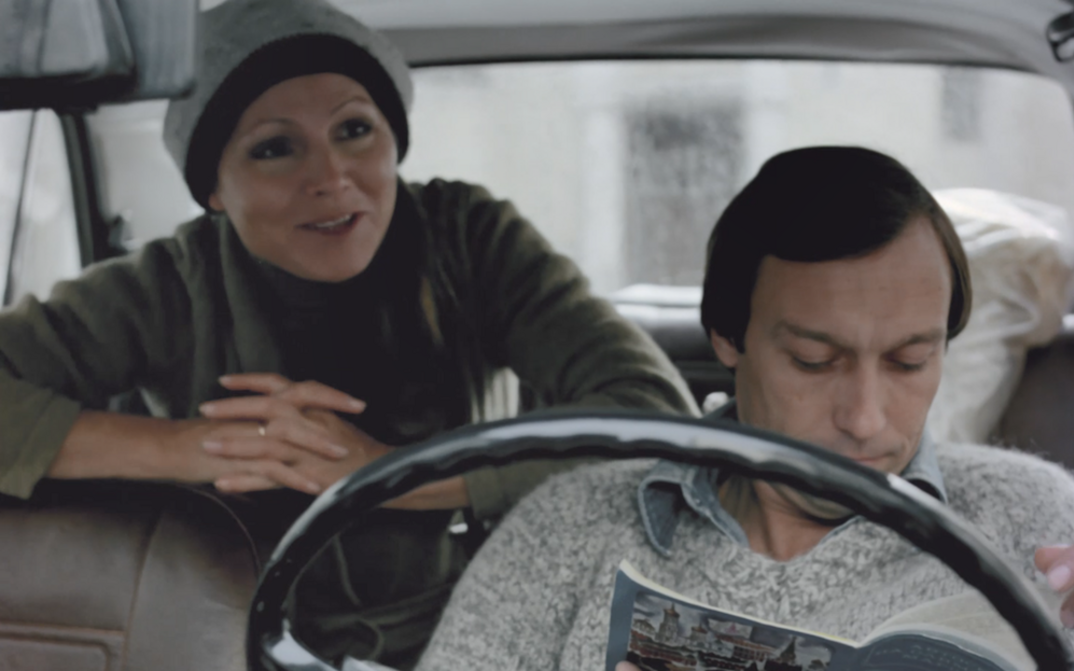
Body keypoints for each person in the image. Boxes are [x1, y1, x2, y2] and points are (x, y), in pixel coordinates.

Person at [0, 0, 697, 667]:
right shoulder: (166, 287)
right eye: (275, 148)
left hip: (475, 629)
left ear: (395, 142)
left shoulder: (470, 241)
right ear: (213, 187)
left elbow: (657, 419)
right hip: (225, 640)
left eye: (355, 130)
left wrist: (388, 474)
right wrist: (198, 448)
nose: (331, 177)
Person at [408, 147, 1074, 671]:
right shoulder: (564, 530)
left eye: (910, 361)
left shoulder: (1037, 519)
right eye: (814, 360)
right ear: (728, 334)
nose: (866, 419)